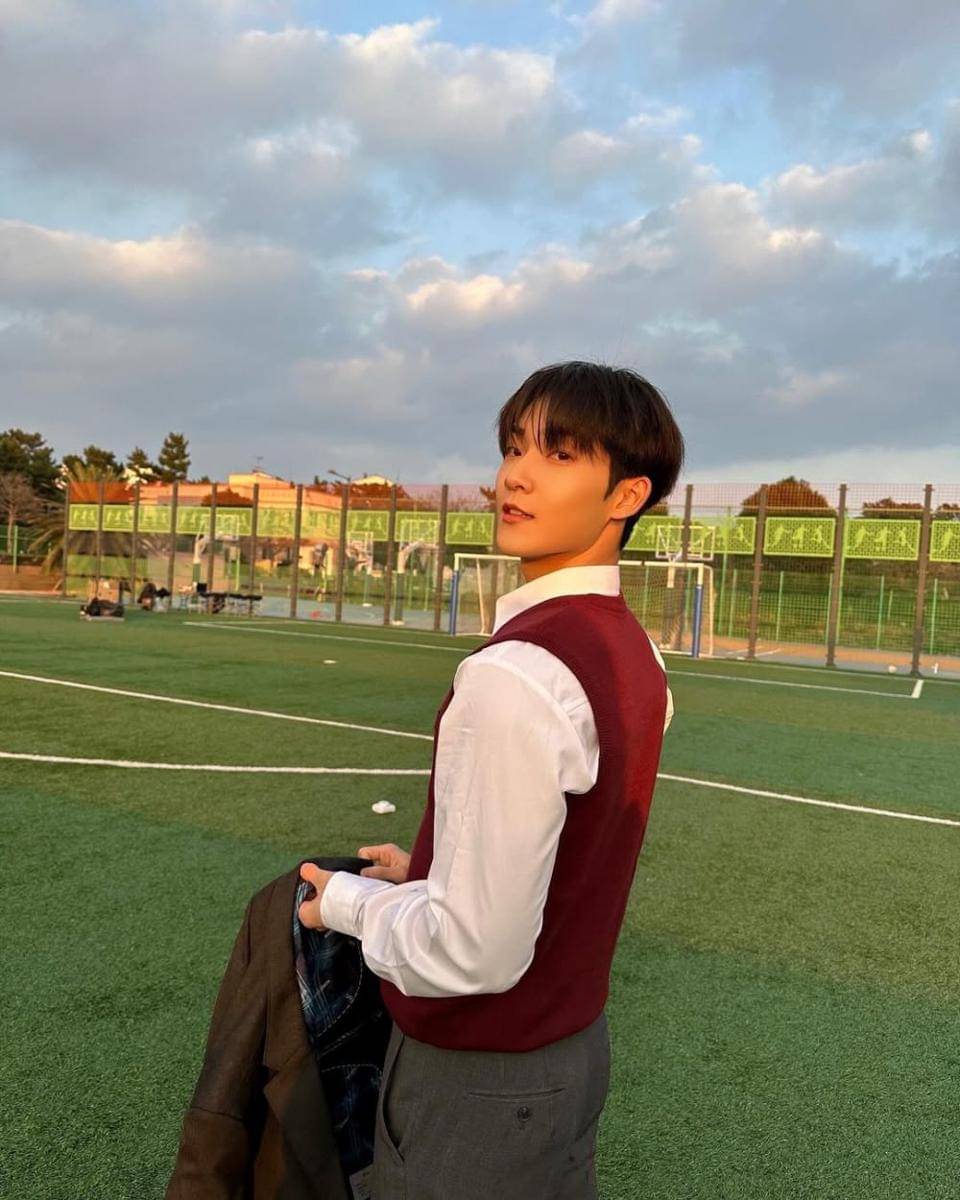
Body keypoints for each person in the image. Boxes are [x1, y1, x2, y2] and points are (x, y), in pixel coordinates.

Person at [298, 360, 684, 1199]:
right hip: (571, 1056)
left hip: (479, 1080)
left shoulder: (515, 673)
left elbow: (472, 953)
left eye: (560, 454)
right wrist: (435, 875)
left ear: (626, 496)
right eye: (514, 447)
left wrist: (348, 905)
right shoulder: (636, 654)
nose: (516, 474)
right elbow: (569, 855)